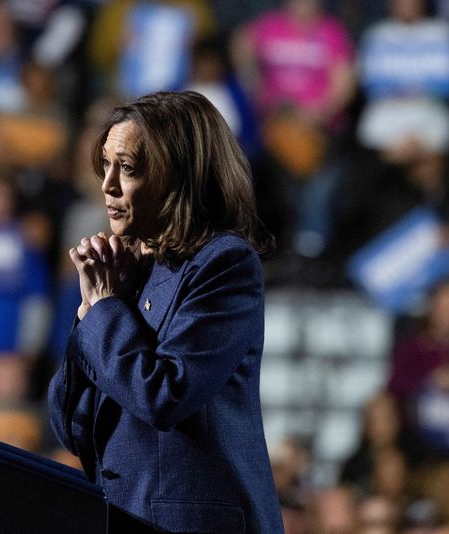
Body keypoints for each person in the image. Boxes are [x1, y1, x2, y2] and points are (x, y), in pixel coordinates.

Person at [48, 91, 283, 533]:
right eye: (105, 165)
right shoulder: (127, 274)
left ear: (179, 177)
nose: (108, 185)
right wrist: (89, 310)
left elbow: (163, 395)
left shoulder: (224, 264)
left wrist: (104, 308)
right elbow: (71, 429)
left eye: (129, 168)